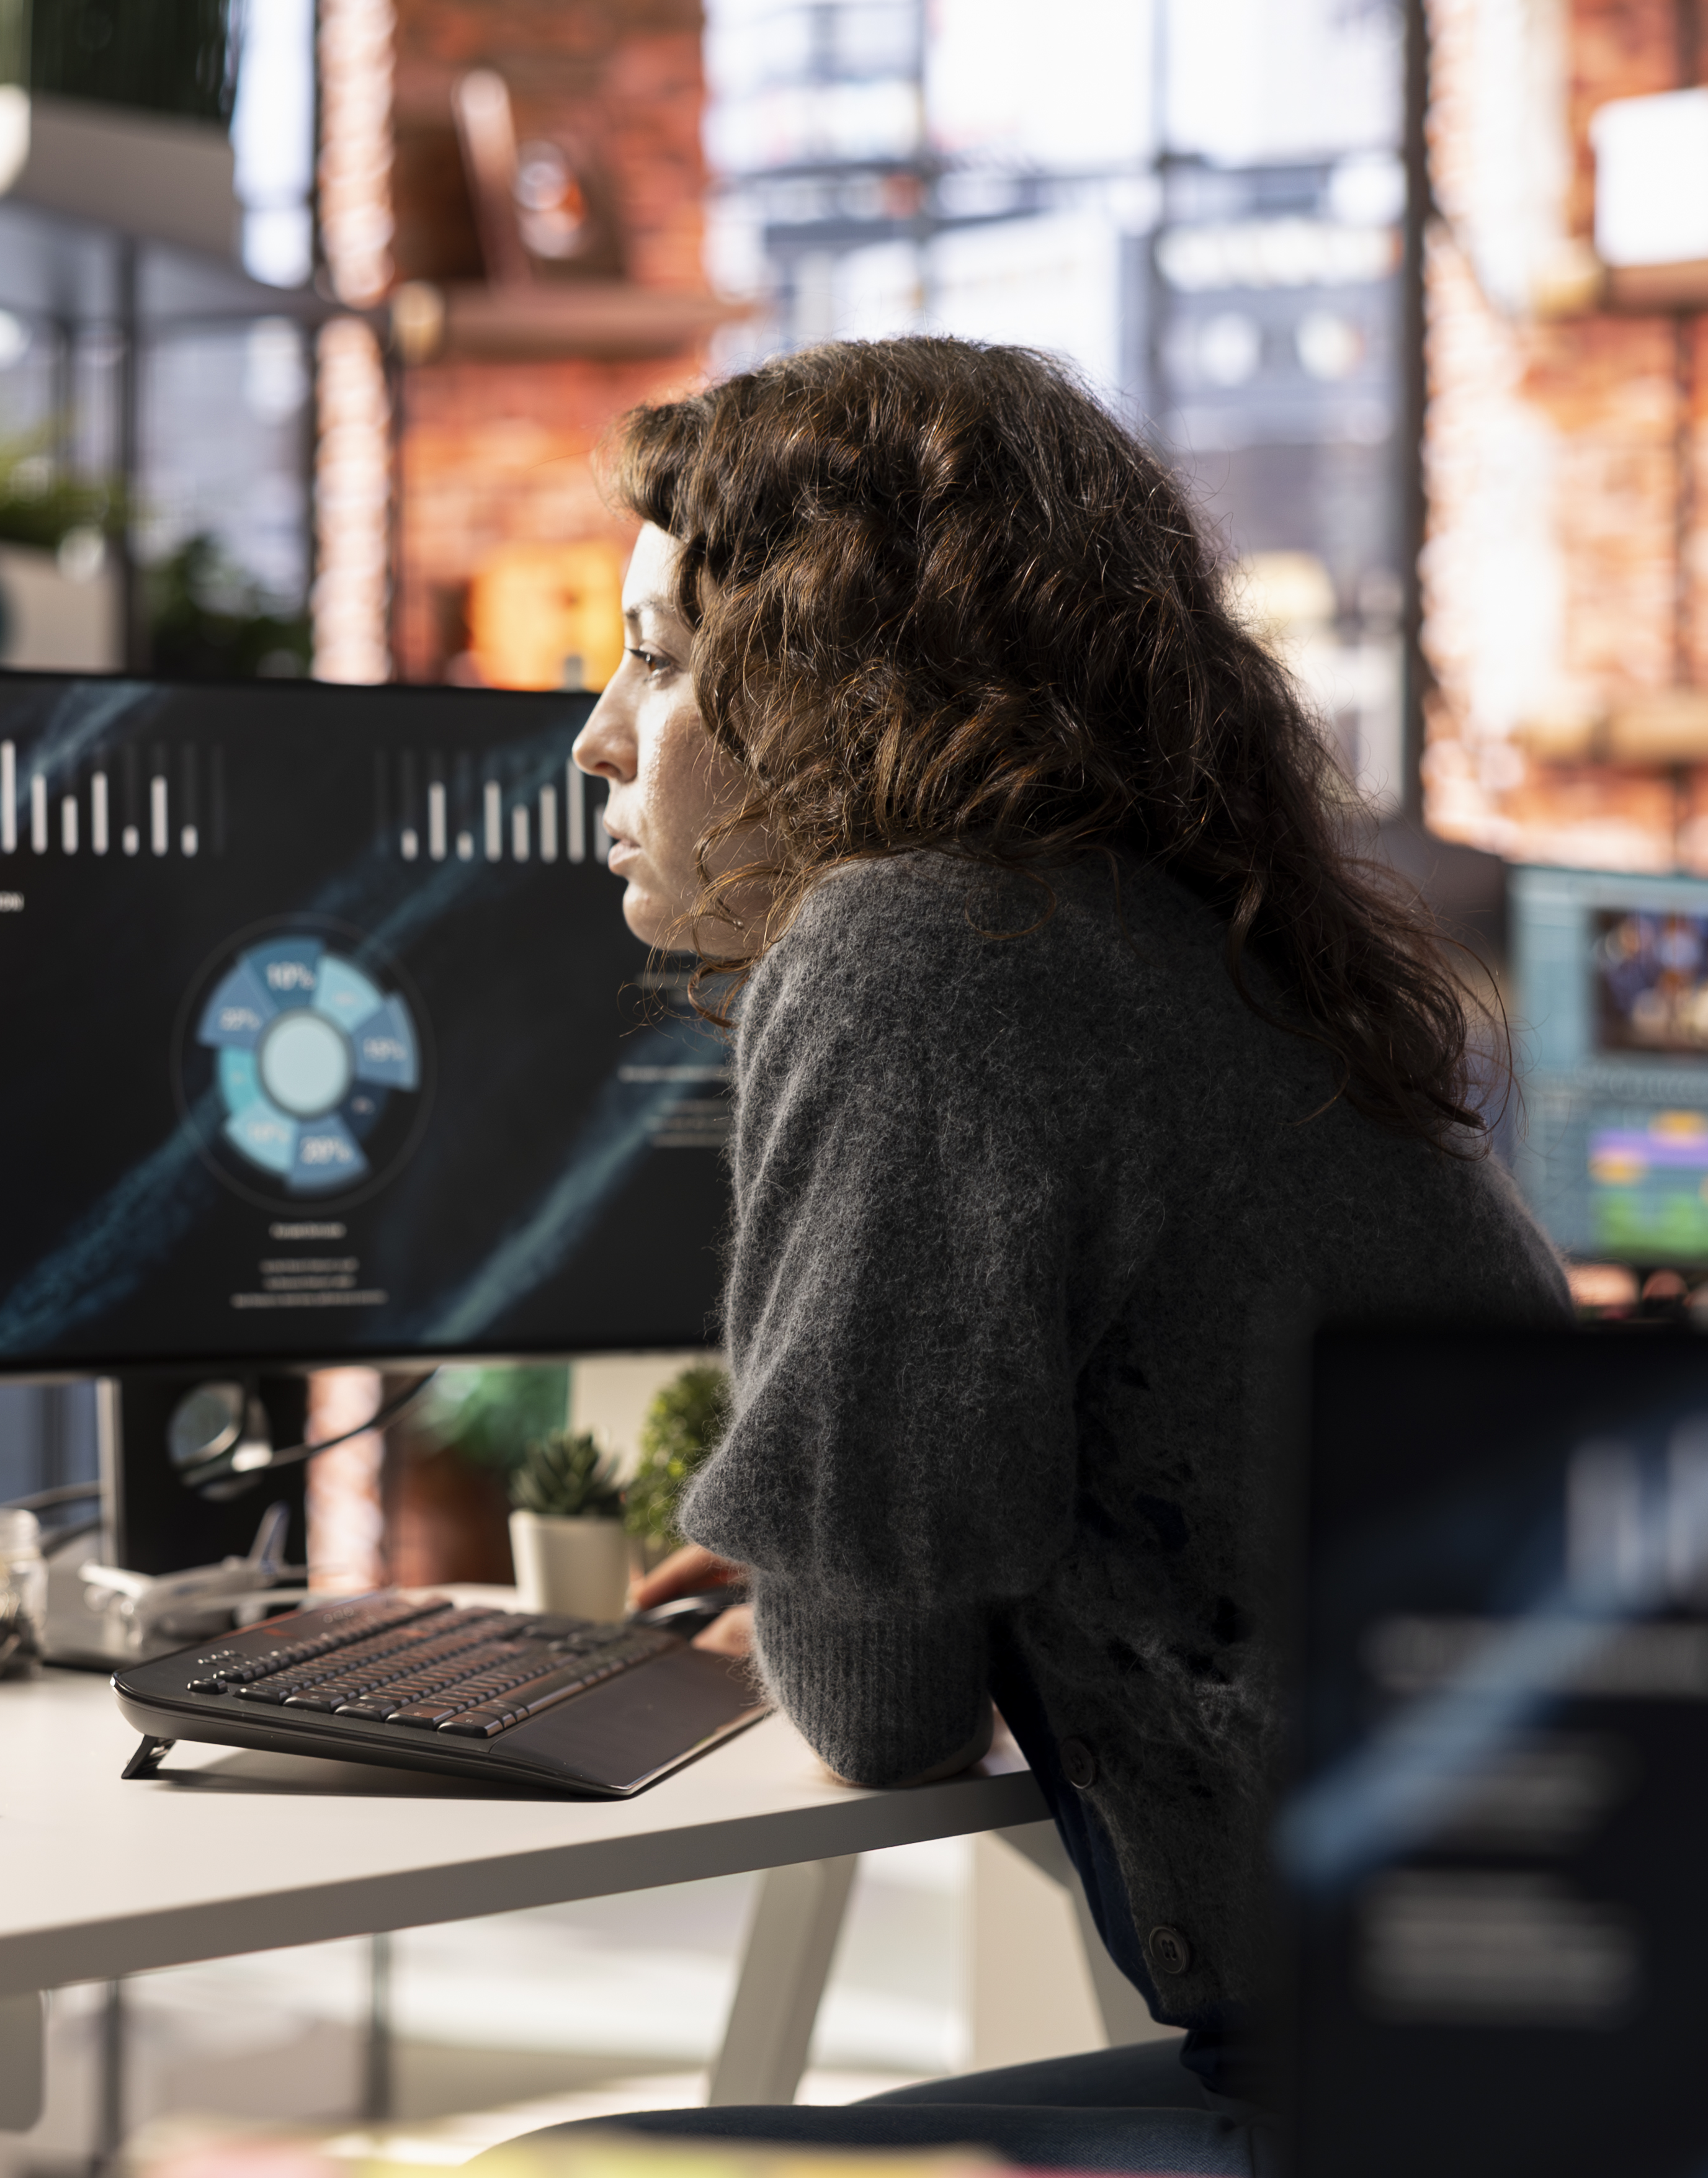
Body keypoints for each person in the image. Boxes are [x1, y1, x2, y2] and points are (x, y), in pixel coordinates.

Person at [517, 337, 1571, 2172]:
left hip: (1431, 2100)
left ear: (837, 689)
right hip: (1555, 2043)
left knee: (553, 2166)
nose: (595, 736)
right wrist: (842, 1534)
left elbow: (877, 1706)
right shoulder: (1192, 947)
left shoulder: (911, 950)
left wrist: (826, 1566)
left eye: (661, 659)